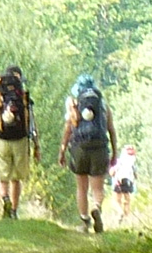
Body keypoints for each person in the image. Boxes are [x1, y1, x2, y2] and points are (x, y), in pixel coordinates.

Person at [58, 73, 116, 234]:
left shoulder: (74, 104)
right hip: (100, 147)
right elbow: (111, 130)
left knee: (81, 188)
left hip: (79, 148)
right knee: (97, 188)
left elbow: (68, 129)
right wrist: (115, 153)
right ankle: (96, 208)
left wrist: (62, 151)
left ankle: (84, 222)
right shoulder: (103, 104)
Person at [0, 65, 38, 219]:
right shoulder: (23, 96)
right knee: (16, 178)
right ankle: (14, 210)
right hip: (20, 140)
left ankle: (5, 199)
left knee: (2, 176)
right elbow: (31, 123)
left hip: (0, 140)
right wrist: (36, 146)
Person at [110, 144, 137, 223]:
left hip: (119, 181)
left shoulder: (120, 161)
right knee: (127, 201)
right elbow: (136, 175)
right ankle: (126, 218)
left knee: (116, 200)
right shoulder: (132, 162)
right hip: (129, 181)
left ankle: (120, 212)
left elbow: (112, 172)